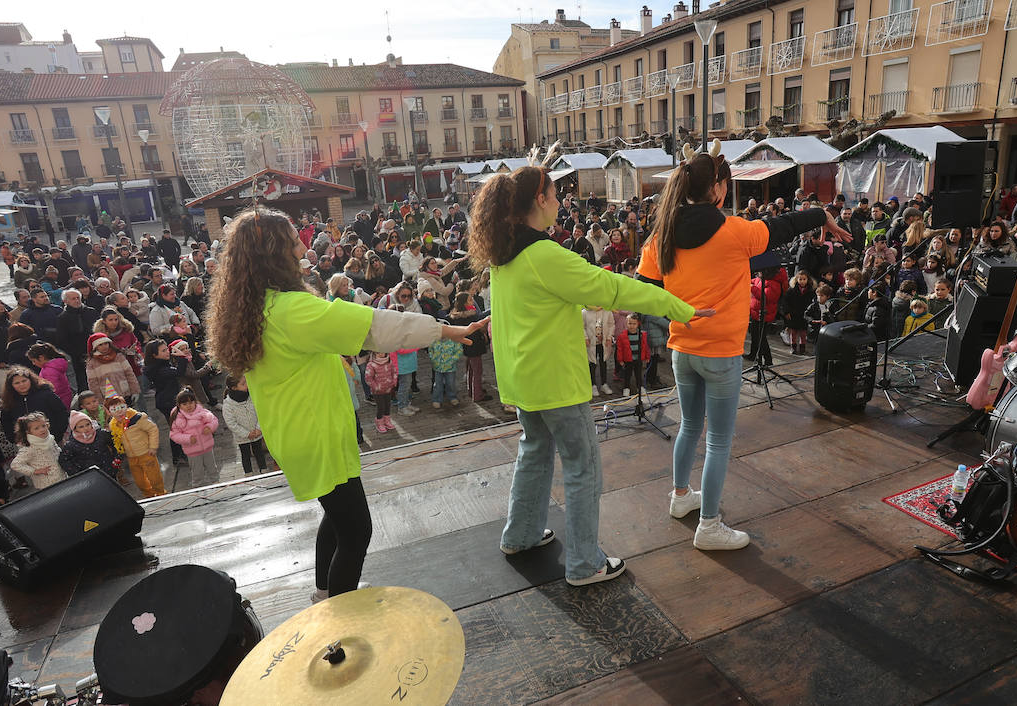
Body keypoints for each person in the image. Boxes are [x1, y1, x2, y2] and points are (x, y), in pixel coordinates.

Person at [206, 207, 485, 601]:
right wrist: (443, 329)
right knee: (357, 530)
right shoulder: (290, 310)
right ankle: (339, 611)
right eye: (292, 241)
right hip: (315, 431)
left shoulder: (260, 305)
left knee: (337, 520)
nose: (302, 245)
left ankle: (325, 592)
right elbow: (372, 326)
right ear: (272, 253)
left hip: (302, 430)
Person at [469, 165, 703, 586]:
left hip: (524, 381)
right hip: (556, 382)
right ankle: (584, 564)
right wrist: (677, 307)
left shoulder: (504, 254)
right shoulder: (544, 254)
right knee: (582, 466)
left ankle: (519, 535)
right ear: (539, 201)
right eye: (556, 195)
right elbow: (611, 289)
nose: (560, 203)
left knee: (535, 453)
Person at [639, 146, 833, 552]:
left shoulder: (663, 235)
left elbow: (645, 286)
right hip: (721, 353)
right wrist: (820, 214)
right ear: (720, 190)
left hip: (681, 350)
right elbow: (781, 226)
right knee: (719, 441)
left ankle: (680, 498)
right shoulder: (734, 231)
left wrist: (680, 308)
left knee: (690, 427)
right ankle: (709, 526)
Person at [106, 395, 167, 498]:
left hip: (146, 453)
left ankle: (161, 493)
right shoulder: (113, 425)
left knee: (154, 477)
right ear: (109, 412)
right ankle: (149, 495)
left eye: (122, 407)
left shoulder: (137, 418)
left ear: (126, 406)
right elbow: (116, 439)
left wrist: (153, 446)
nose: (119, 411)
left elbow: (152, 429)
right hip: (131, 457)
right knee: (140, 481)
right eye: (114, 409)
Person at [0, 366, 69, 442]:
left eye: (24, 381)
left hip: (52, 439)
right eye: (17, 383)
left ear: (30, 380)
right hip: (27, 444)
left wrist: (57, 434)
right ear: (11, 386)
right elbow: (6, 423)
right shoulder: (9, 401)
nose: (22, 385)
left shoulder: (45, 394)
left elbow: (61, 413)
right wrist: (16, 439)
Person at [168, 389, 220, 487]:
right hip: (192, 451)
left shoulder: (202, 411)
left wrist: (210, 427)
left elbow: (213, 420)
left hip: (207, 447)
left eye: (191, 402)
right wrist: (188, 438)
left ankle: (216, 483)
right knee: (197, 472)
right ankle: (197, 487)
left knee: (212, 468)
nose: (189, 406)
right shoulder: (177, 418)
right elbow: (174, 435)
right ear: (179, 405)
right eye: (185, 404)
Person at [222, 376, 269, 474]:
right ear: (234, 388)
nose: (247, 385)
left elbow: (261, 411)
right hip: (242, 437)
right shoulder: (228, 405)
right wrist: (246, 434)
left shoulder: (252, 396)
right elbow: (231, 423)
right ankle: (248, 474)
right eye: (243, 384)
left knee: (259, 452)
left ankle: (264, 470)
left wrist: (259, 429)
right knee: (245, 454)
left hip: (256, 432)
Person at [10, 412, 66, 490]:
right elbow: (15, 464)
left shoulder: (49, 438)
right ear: (28, 432)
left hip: (61, 475)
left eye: (43, 426)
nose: (42, 429)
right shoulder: (29, 448)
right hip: (46, 483)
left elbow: (57, 450)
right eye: (36, 428)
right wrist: (34, 471)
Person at [59, 410, 123, 478]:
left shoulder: (100, 434)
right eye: (81, 427)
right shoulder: (72, 444)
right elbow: (63, 460)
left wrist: (116, 459)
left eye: (87, 424)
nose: (86, 428)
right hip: (91, 477)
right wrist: (78, 473)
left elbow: (115, 442)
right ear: (74, 429)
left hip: (109, 471)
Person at [26, 342, 72, 409]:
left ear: (41, 358)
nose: (33, 364)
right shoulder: (51, 367)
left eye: (34, 361)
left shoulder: (49, 370)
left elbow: (53, 388)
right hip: (63, 397)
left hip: (58, 401)